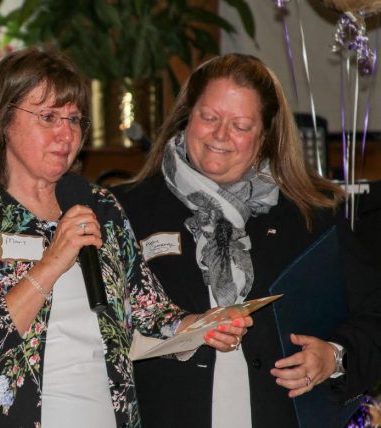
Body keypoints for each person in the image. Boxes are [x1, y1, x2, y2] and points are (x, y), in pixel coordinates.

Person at [0, 48, 252, 428]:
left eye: (74, 119)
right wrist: (50, 264)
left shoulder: (99, 206)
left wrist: (204, 325)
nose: (66, 134)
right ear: (0, 123)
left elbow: (150, 313)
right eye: (48, 117)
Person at [110, 54, 381, 427]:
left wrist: (334, 357)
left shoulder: (310, 216)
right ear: (187, 116)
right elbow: (95, 330)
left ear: (266, 136)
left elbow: (374, 314)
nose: (221, 135)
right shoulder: (125, 210)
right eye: (209, 117)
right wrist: (179, 329)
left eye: (240, 125)